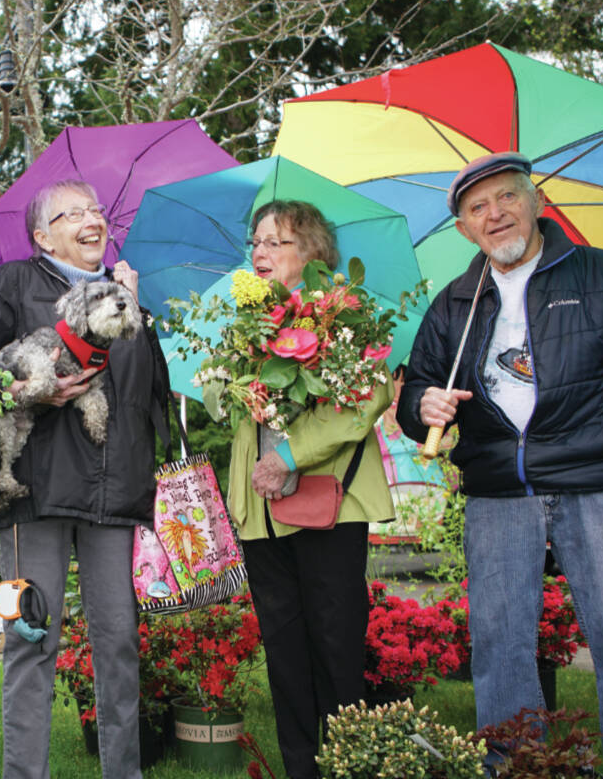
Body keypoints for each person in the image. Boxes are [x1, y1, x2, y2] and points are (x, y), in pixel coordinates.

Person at [397, 151, 603, 778]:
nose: (494, 215)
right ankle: (521, 770)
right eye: (477, 208)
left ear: (536, 203)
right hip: (498, 494)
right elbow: (416, 396)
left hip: (598, 482)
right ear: (465, 229)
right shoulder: (454, 303)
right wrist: (423, 402)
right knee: (500, 648)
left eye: (506, 198)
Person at [0, 179, 169, 779]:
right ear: (41, 235)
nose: (89, 219)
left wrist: (135, 306)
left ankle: (122, 772)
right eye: (71, 213)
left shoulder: (124, 290)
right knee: (29, 638)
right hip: (34, 489)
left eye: (95, 209)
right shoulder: (14, 283)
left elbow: (148, 390)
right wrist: (28, 390)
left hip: (115, 489)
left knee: (119, 643)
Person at [227, 199, 394, 779]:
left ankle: (349, 763)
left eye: (277, 241)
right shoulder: (247, 325)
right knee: (285, 651)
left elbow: (367, 399)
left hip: (331, 507)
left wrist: (291, 455)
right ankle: (301, 767)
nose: (261, 252)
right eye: (257, 241)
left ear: (313, 252)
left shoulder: (344, 312)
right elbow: (236, 419)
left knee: (336, 643)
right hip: (262, 514)